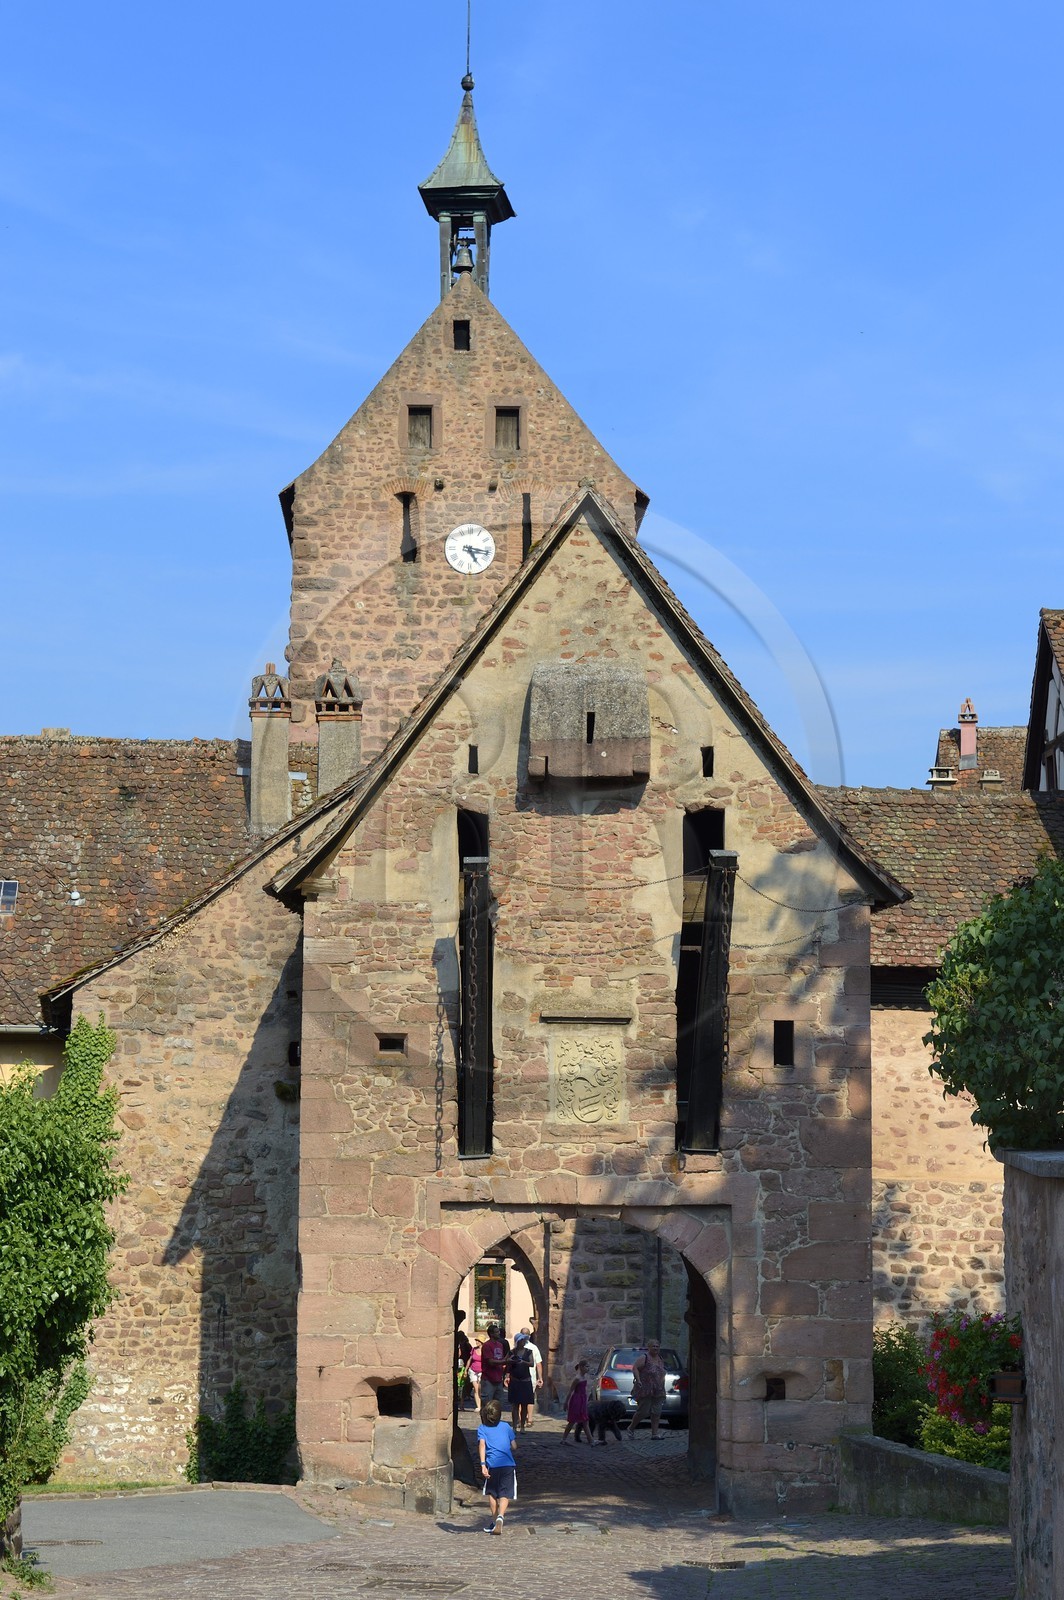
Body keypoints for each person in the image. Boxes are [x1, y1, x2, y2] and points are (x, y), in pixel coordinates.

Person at [477, 1398, 517, 1535]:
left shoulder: (482, 1429)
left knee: (492, 1493)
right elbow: (514, 1445)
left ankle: (494, 1521)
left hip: (492, 1465)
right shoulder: (506, 1427)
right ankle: (501, 1516)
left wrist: (483, 1464)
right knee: (505, 1493)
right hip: (508, 1465)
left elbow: (482, 1445)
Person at [626, 1338, 667, 1440]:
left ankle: (654, 1434)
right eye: (653, 1346)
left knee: (656, 1412)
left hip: (658, 1389)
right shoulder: (645, 1357)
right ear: (649, 1347)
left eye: (657, 1346)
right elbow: (635, 1368)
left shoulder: (660, 1358)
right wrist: (638, 1380)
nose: (655, 1348)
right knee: (643, 1411)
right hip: (645, 1389)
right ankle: (631, 1428)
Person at [507, 1331, 537, 1432]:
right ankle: (515, 1425)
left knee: (524, 1404)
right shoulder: (512, 1352)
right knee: (515, 1405)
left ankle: (523, 1425)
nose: (523, 1342)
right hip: (515, 1380)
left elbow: (532, 1363)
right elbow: (508, 1365)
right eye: (521, 1340)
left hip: (525, 1380)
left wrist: (523, 1362)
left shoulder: (528, 1352)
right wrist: (511, 1361)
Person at [517, 1326, 543, 1423]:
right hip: (531, 1377)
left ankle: (520, 1419)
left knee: (519, 1398)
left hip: (520, 1376)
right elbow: (539, 1364)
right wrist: (540, 1377)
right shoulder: (534, 1347)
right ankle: (530, 1419)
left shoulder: (517, 1348)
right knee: (529, 1398)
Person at [561, 1359, 591, 1444]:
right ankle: (564, 1439)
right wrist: (566, 1402)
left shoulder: (584, 1377)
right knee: (572, 1421)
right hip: (576, 1400)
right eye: (586, 1366)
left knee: (585, 1420)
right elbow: (571, 1391)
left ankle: (591, 1440)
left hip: (582, 1399)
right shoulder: (577, 1379)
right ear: (581, 1367)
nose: (588, 1368)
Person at [480, 1323, 509, 1405]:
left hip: (498, 1378)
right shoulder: (487, 1345)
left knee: (498, 1404)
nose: (498, 1333)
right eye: (496, 1332)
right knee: (487, 1403)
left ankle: (496, 1418)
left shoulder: (500, 1345)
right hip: (488, 1379)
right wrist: (504, 1361)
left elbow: (501, 1358)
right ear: (491, 1334)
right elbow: (490, 1361)